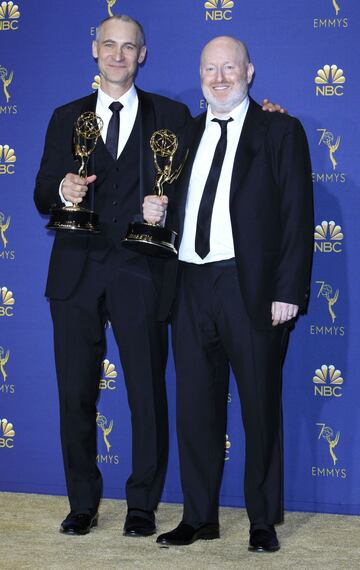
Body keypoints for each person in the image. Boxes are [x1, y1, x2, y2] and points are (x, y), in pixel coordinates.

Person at [143, 36, 313, 552]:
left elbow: (297, 217)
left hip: (252, 287)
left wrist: (288, 290)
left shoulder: (280, 129)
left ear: (250, 71)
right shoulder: (183, 135)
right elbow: (181, 201)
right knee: (195, 407)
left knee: (260, 406)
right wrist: (158, 213)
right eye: (210, 69)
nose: (220, 78)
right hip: (190, 283)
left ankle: (262, 519)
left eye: (229, 68)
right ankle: (199, 516)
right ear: (199, 75)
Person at [34, 14, 191, 537]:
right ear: (94, 50)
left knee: (146, 393)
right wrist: (64, 191)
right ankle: (83, 504)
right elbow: (40, 193)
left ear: (143, 54)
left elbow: (197, 191)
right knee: (75, 394)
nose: (118, 55)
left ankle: (142, 505)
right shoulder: (65, 117)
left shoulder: (171, 115)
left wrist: (164, 210)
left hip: (142, 272)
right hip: (76, 274)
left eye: (129, 47)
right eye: (109, 45)